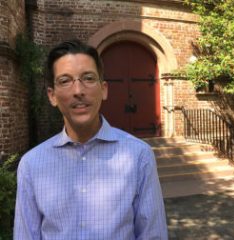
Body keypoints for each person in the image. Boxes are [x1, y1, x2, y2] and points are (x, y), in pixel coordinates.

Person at [14, 39, 168, 240]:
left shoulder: (139, 155)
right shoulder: (31, 165)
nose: (78, 91)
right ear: (52, 96)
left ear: (104, 89)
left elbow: (153, 235)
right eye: (65, 81)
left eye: (88, 78)